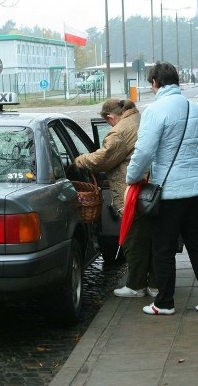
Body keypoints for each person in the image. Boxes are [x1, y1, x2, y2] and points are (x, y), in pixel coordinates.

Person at [126, 61, 198, 315]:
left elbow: (144, 150)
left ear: (155, 83)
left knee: (163, 246)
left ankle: (164, 302)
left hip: (170, 191)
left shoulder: (155, 110)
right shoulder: (193, 107)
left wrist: (132, 177)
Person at [74, 99, 158, 299]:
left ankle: (136, 285)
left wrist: (80, 160)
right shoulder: (139, 118)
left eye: (108, 122)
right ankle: (156, 284)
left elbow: (102, 160)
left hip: (131, 192)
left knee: (133, 241)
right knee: (151, 239)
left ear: (110, 117)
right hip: (149, 189)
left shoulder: (118, 132)